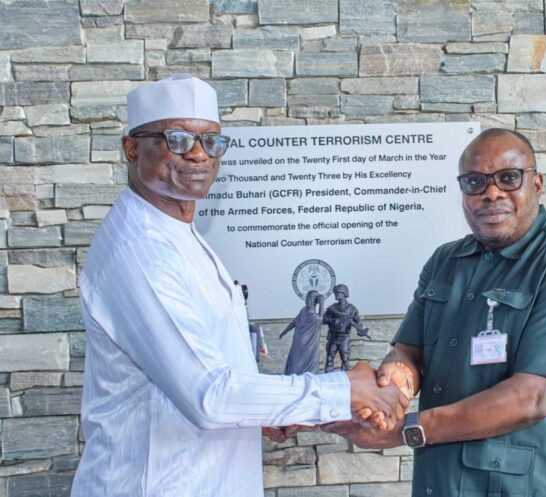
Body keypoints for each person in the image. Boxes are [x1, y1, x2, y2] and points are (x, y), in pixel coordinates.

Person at [71, 74, 407, 497]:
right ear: (132, 148)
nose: (198, 155)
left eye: (211, 141)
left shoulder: (177, 233)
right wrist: (343, 390)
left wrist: (266, 411)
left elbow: (214, 369)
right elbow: (210, 394)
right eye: (177, 139)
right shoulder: (139, 251)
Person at [325, 128, 546, 497]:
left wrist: (402, 428)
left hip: (529, 486)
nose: (491, 193)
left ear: (536, 183)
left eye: (508, 178)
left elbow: (531, 398)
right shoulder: (445, 260)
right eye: (475, 182)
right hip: (441, 481)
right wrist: (388, 393)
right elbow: (410, 352)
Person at [323, 284, 370, 372]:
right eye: (335, 293)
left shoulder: (352, 309)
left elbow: (358, 322)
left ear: (344, 294)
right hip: (333, 336)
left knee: (345, 359)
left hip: (344, 337)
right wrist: (332, 320)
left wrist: (361, 330)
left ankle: (345, 377)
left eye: (338, 293)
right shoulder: (332, 308)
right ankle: (328, 376)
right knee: (329, 357)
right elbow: (323, 319)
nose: (336, 295)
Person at [279, 290, 324, 374]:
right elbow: (320, 319)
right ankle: (300, 374)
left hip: (301, 339)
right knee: (303, 358)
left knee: (298, 358)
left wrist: (285, 331)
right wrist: (321, 304)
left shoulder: (305, 311)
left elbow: (294, 322)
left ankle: (296, 373)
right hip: (306, 341)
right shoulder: (310, 313)